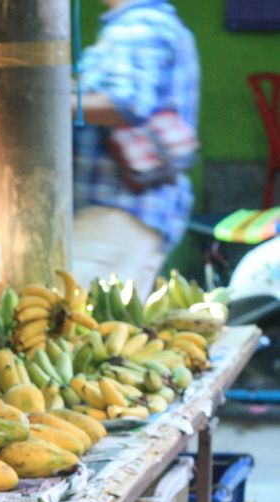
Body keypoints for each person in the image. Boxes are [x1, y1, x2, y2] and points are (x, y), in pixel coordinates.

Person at [71, 0, 199, 295]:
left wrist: (41, 95)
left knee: (84, 327)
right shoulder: (140, 24)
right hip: (120, 211)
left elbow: (126, 103)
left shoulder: (138, 26)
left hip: (118, 208)